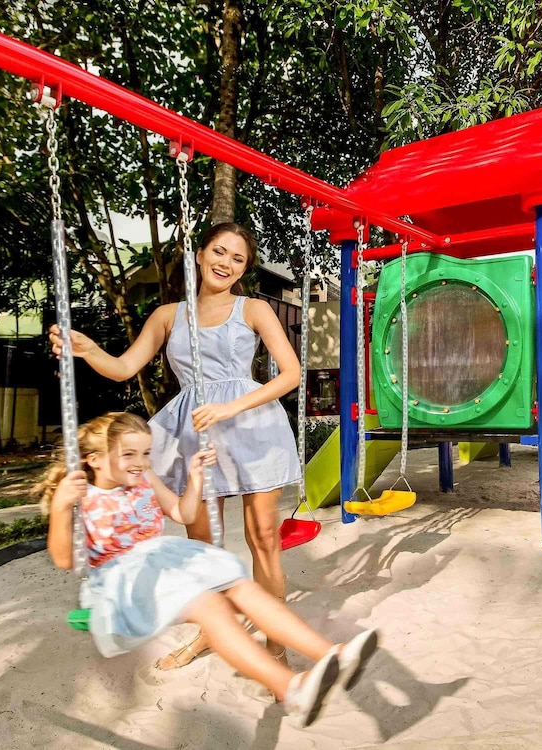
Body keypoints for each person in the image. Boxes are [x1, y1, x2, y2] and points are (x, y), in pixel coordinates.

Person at [49, 222, 301, 670]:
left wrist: (229, 407)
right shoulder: (168, 315)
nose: (225, 263)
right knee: (202, 544)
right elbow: (123, 367)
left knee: (263, 536)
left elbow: (290, 374)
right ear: (200, 255)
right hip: (194, 432)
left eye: (237, 258)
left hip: (253, 428)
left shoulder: (254, 309)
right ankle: (212, 630)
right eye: (219, 252)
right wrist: (87, 350)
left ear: (243, 269)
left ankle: (275, 642)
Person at [39, 412, 379, 727]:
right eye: (129, 454)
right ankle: (290, 687)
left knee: (243, 588)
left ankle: (334, 655)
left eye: (145, 453)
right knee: (212, 606)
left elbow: (183, 513)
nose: (140, 462)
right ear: (95, 459)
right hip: (124, 586)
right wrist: (61, 508)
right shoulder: (82, 496)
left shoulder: (145, 479)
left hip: (161, 567)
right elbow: (65, 560)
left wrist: (195, 478)